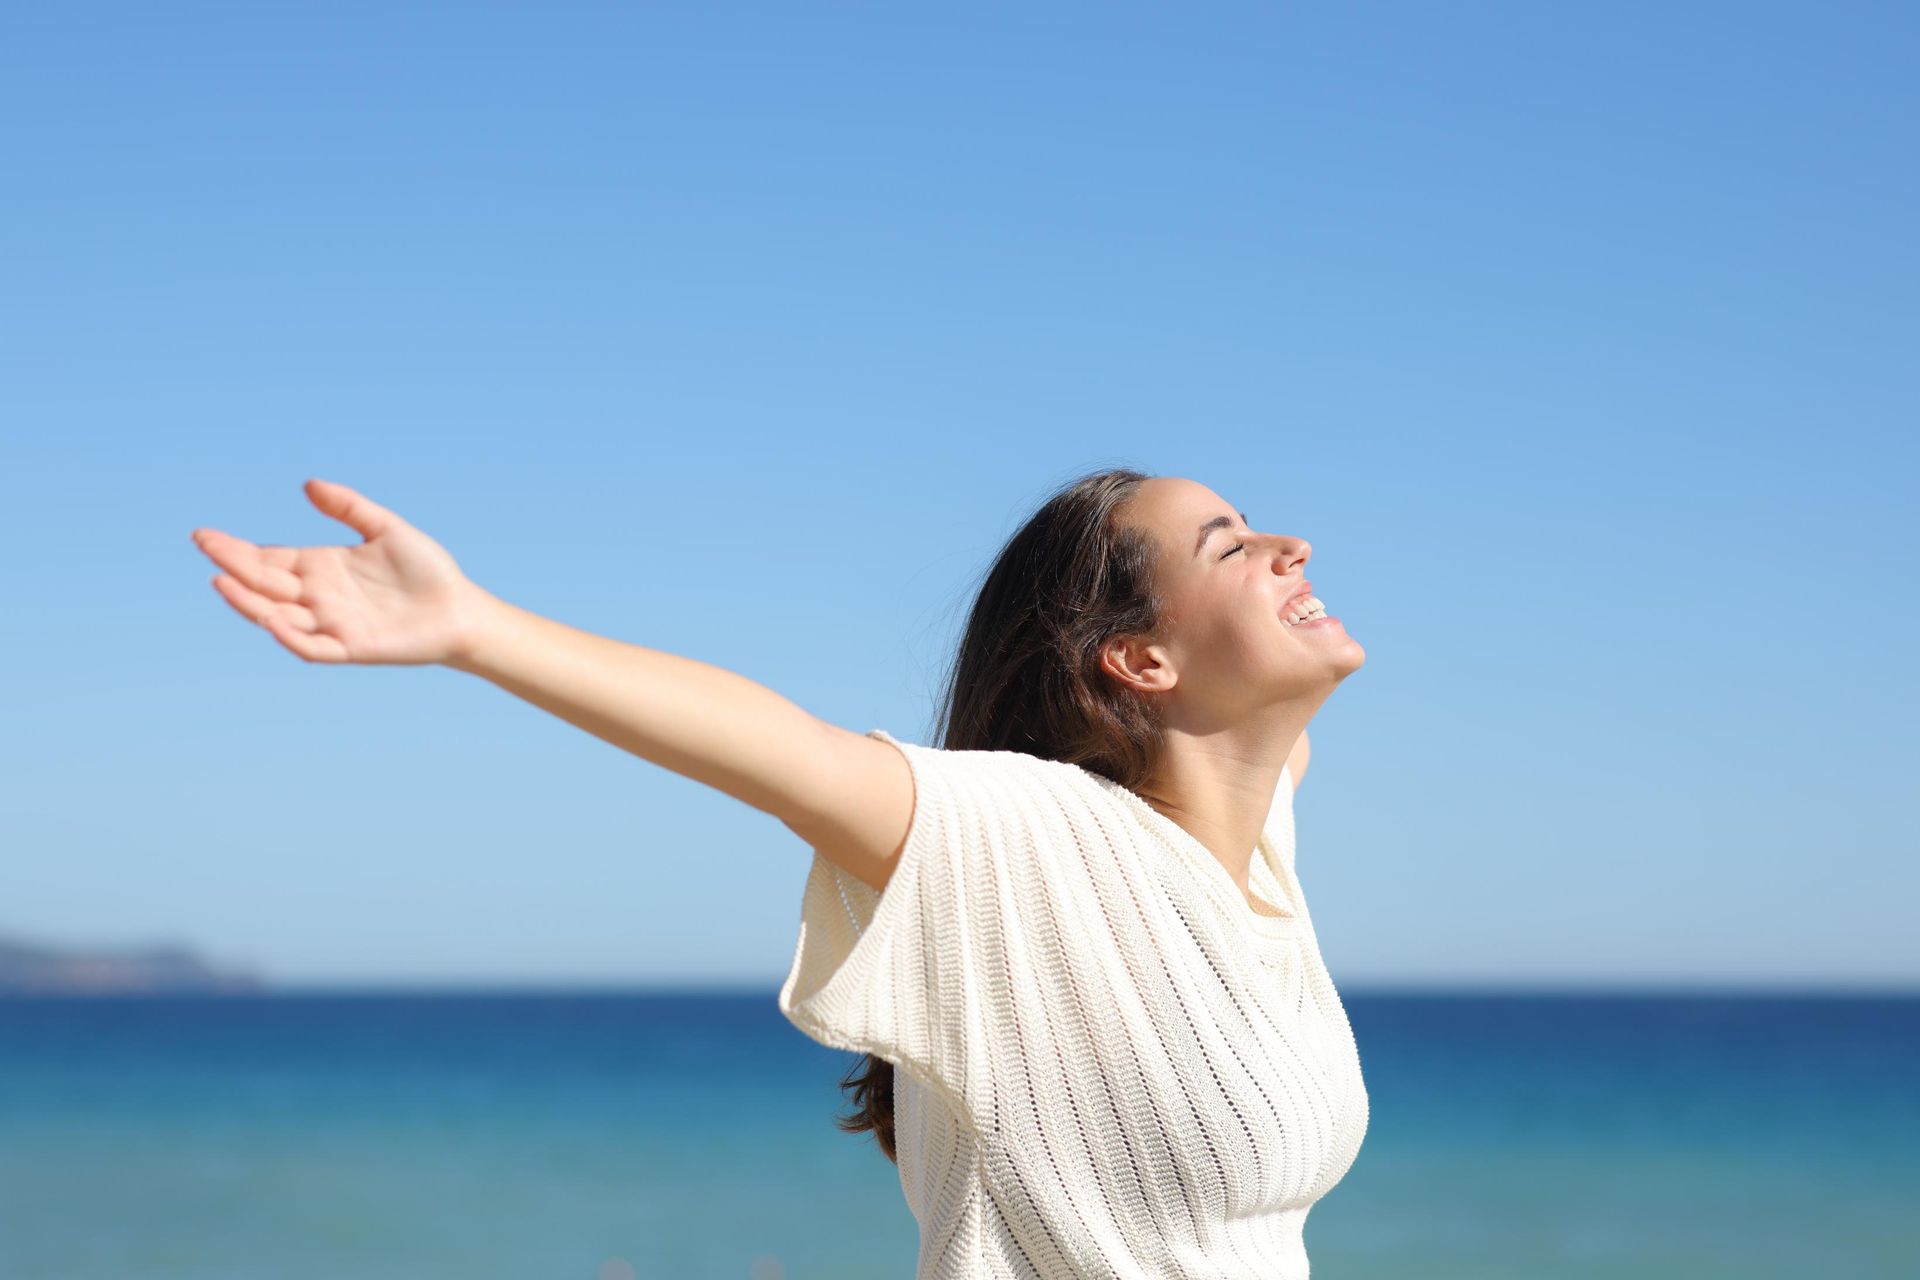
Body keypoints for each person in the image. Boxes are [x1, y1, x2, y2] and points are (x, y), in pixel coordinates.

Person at [190, 467, 1370, 1278]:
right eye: (1230, 543)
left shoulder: (1257, 848)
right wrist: (476, 627)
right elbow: (778, 747)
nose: (1290, 543)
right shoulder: (1031, 840)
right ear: (1139, 656)